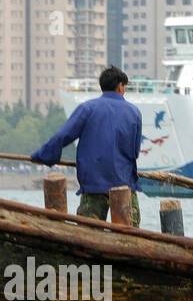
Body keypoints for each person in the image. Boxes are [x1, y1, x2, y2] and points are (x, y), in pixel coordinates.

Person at [31, 65, 143, 226]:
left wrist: (43, 156)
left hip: (93, 185)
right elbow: (135, 151)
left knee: (88, 232)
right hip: (124, 184)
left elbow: (63, 135)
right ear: (120, 86)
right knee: (129, 237)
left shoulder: (87, 108)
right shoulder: (134, 112)